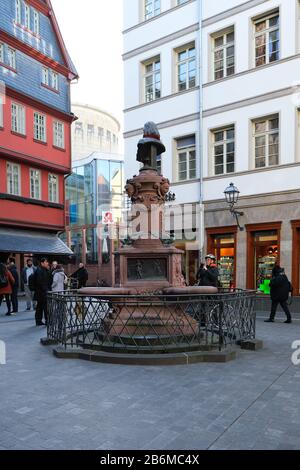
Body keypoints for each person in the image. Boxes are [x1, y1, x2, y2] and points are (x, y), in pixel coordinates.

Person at [33, 258, 53, 326]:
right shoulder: (40, 270)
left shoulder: (44, 270)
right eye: (46, 262)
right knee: (44, 307)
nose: (47, 263)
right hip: (42, 292)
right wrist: (46, 290)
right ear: (42, 263)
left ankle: (38, 321)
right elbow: (40, 282)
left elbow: (50, 280)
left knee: (40, 307)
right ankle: (47, 321)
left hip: (41, 292)